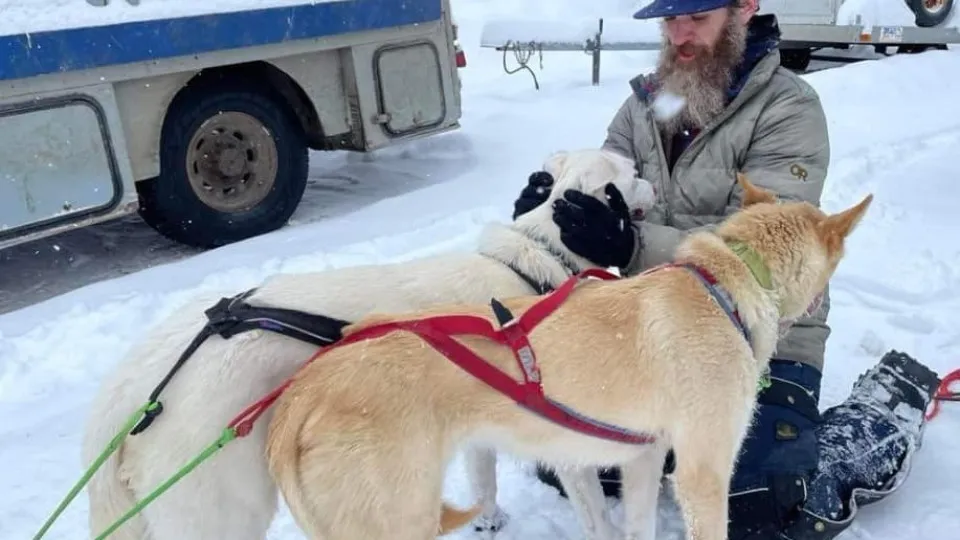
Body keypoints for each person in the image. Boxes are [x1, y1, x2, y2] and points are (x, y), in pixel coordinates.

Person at [512, 1, 944, 538]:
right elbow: (609, 189)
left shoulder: (786, 107)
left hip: (764, 334)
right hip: (656, 331)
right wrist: (553, 213)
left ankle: (882, 412)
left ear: (744, 9)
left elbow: (761, 254)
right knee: (568, 450)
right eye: (669, 20)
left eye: (696, 16)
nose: (680, 34)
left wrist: (629, 245)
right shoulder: (649, 102)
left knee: (765, 496)